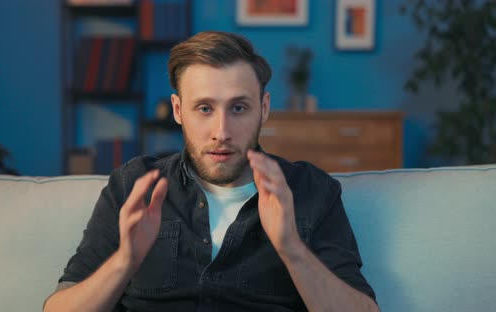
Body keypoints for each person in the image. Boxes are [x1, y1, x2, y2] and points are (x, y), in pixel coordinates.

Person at [44, 31, 378, 312]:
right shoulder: (132, 185)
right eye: (204, 108)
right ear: (178, 110)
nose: (221, 130)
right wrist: (124, 262)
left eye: (238, 108)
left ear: (263, 109)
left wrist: (292, 248)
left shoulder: (312, 190)